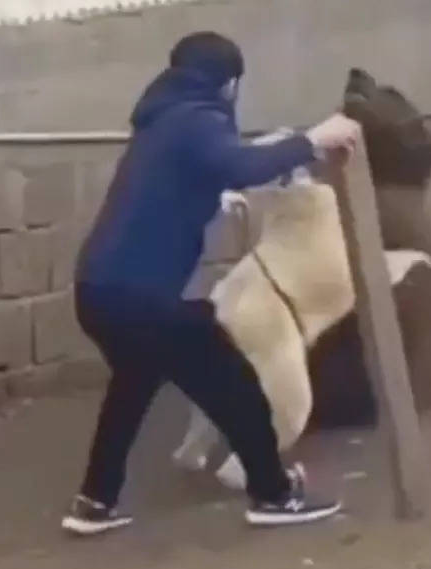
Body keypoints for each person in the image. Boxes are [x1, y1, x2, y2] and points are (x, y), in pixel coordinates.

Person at [63, 31, 361, 536]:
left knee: (132, 384)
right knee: (236, 386)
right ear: (228, 83)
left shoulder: (161, 120)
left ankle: (94, 501)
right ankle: (273, 494)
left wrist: (214, 197)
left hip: (96, 291)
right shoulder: (198, 119)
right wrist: (312, 141)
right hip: (142, 300)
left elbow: (179, 182)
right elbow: (238, 165)